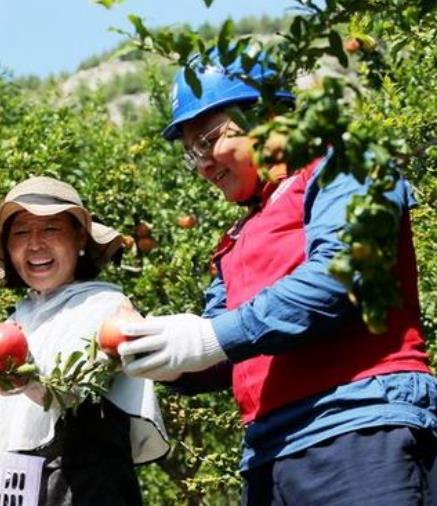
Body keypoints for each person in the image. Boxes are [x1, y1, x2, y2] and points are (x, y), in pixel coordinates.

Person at [116, 52, 437, 505]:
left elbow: (339, 277)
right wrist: (154, 353)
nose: (203, 165)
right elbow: (221, 351)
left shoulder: (348, 164)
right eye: (192, 153)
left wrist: (209, 335)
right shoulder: (238, 235)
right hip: (269, 456)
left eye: (208, 141)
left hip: (358, 425)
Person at [0, 176, 169, 506]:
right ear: (9, 250)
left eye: (50, 229)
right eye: (20, 233)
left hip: (85, 492)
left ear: (80, 239)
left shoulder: (109, 308)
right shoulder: (12, 323)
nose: (35, 244)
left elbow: (82, 392)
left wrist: (29, 382)